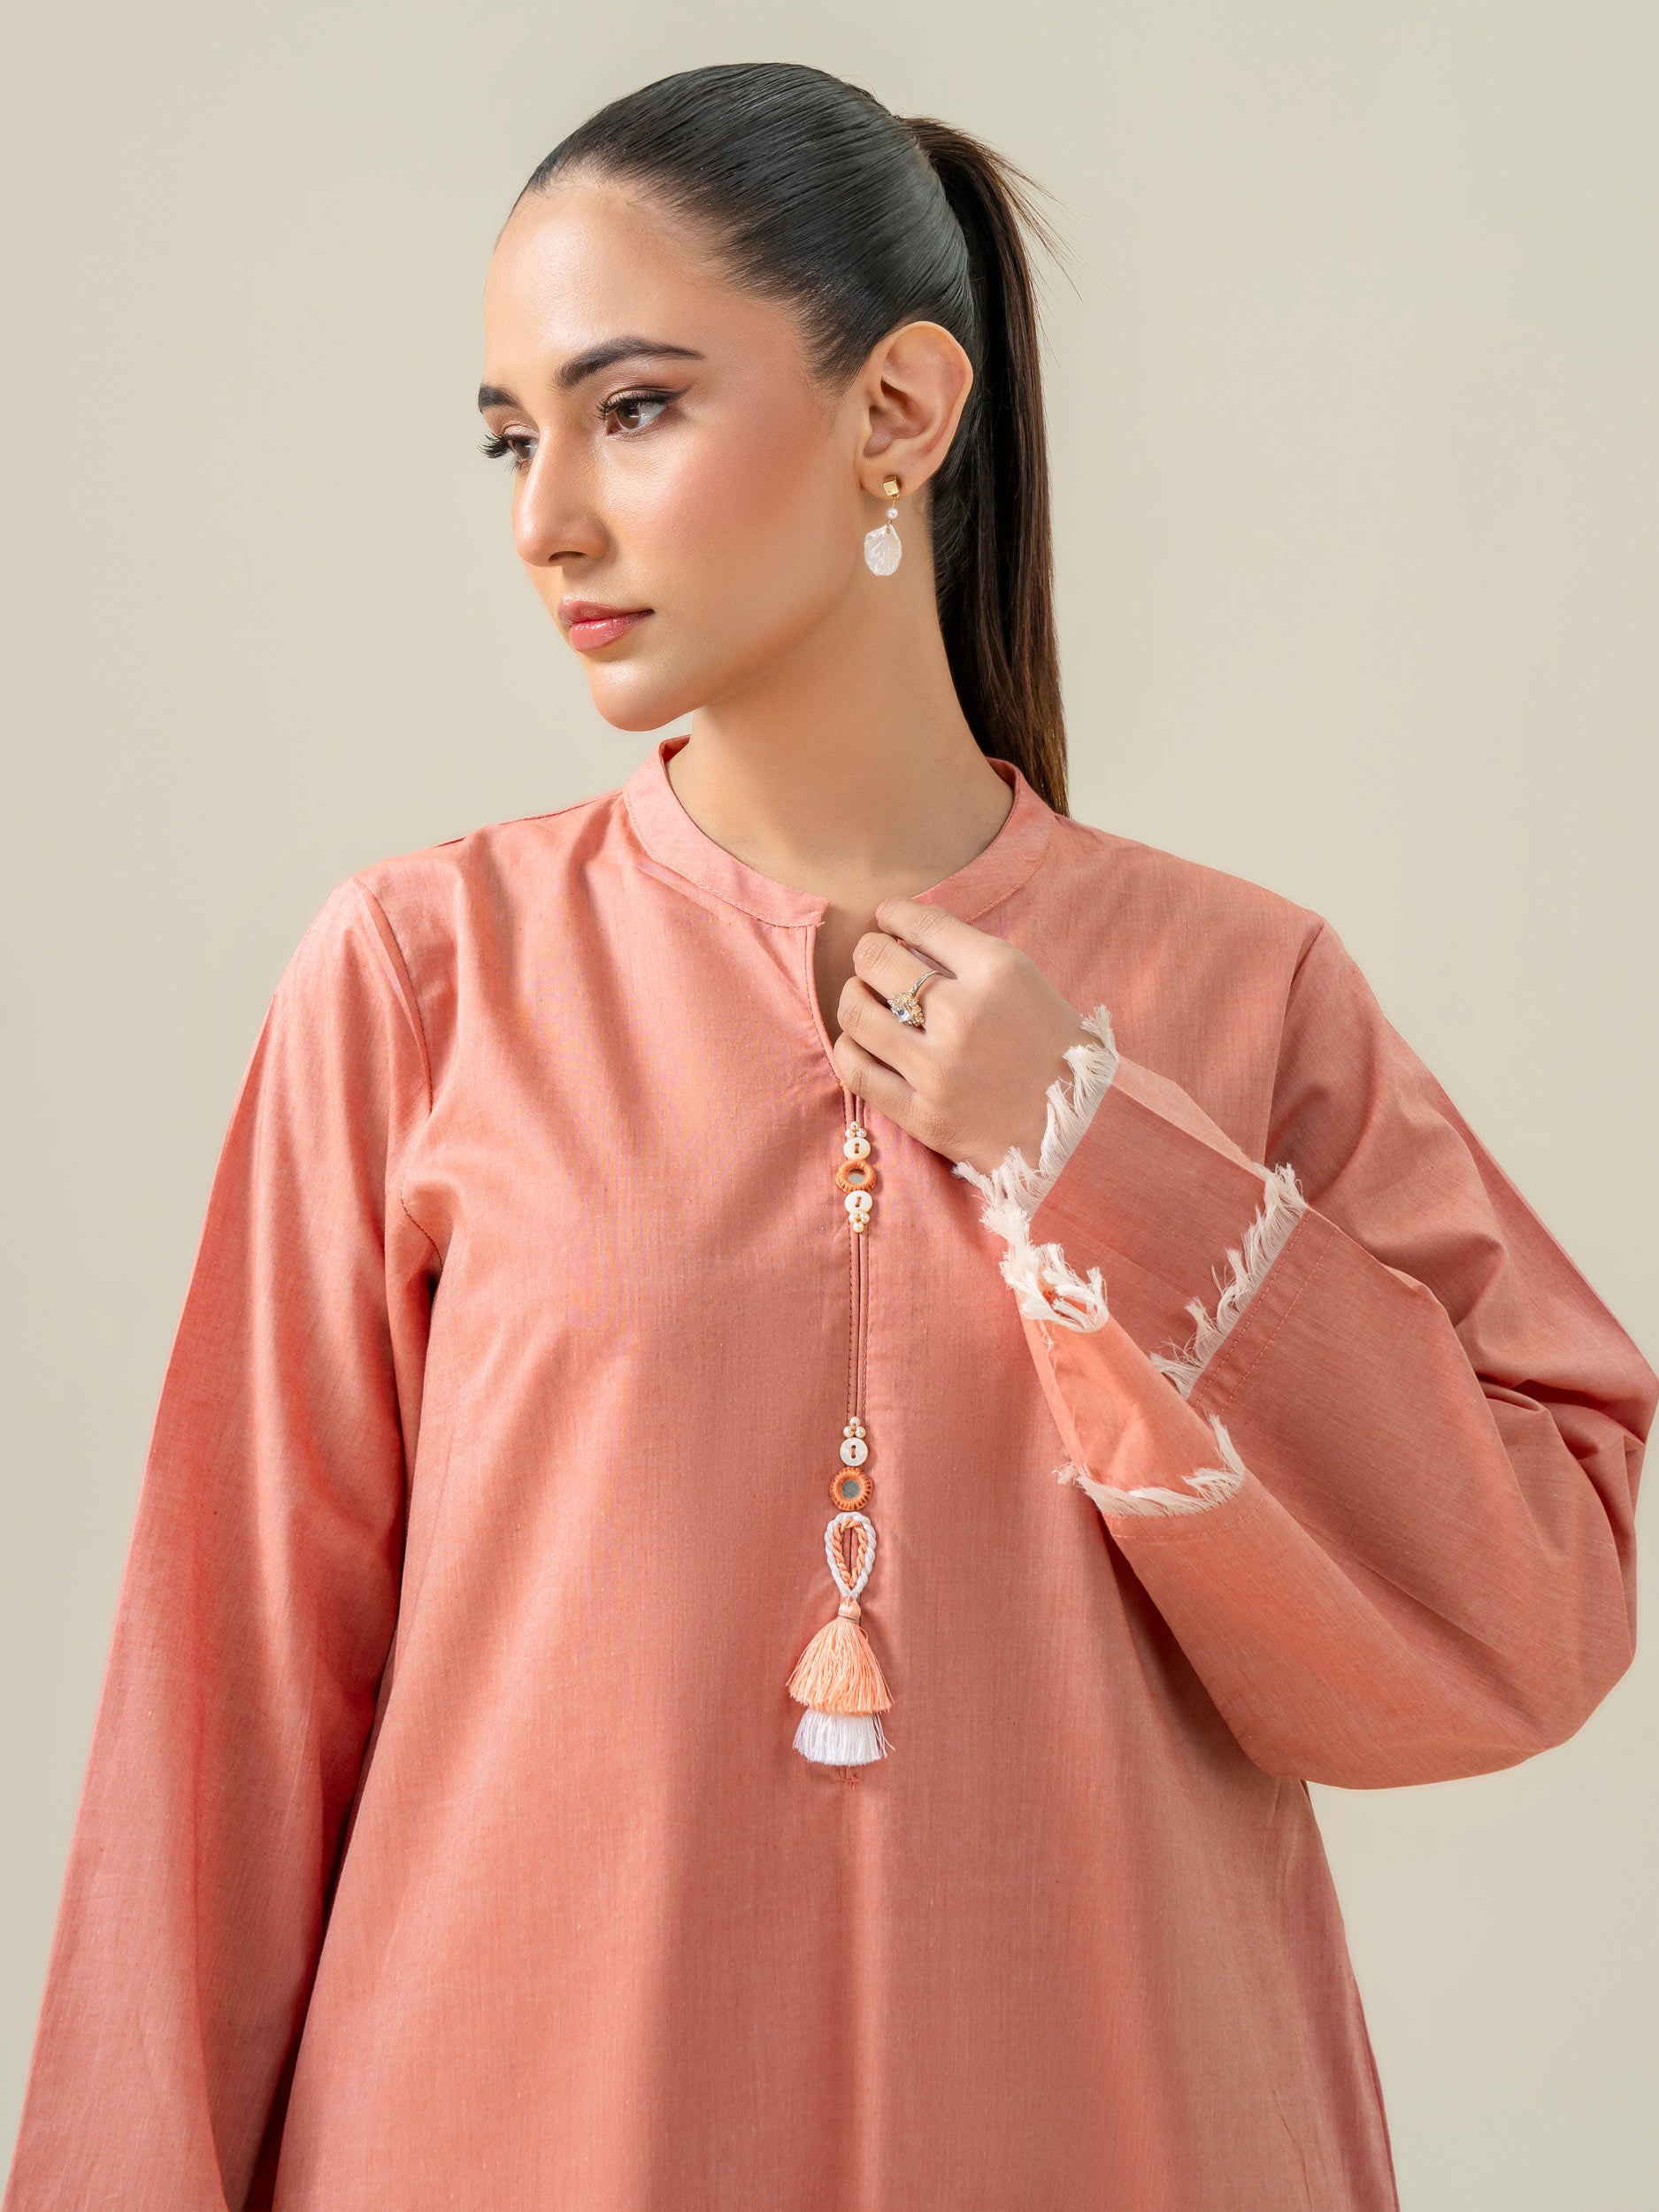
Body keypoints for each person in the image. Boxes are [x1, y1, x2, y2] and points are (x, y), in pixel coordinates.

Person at [4, 58, 1653, 2212]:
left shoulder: (1239, 992)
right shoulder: (420, 978)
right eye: (509, 435)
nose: (544, 516)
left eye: (632, 407)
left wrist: (1092, 1149)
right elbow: (214, 1725)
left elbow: (1531, 1602)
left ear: (897, 408)